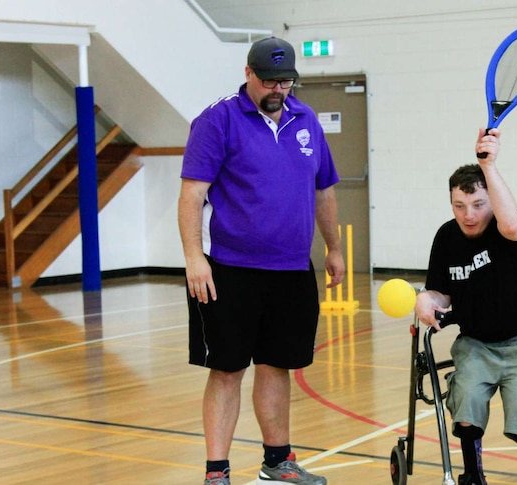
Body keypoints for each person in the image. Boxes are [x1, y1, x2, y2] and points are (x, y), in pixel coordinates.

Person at [178, 36, 345, 485]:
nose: (278, 90)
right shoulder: (217, 120)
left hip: (291, 270)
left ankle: (278, 461)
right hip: (228, 270)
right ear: (248, 73)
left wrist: (334, 248)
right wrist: (195, 258)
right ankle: (217, 472)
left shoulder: (305, 118)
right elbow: (192, 194)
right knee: (227, 369)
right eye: (270, 81)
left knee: (277, 365)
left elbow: (324, 189)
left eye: (286, 81)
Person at [413, 128, 517, 485]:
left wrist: (489, 164)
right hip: (475, 344)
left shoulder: (506, 225)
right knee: (465, 403)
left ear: (491, 200)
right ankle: (473, 477)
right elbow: (441, 293)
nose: (469, 215)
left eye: (478, 204)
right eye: (459, 206)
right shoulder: (446, 237)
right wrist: (425, 299)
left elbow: (511, 224)